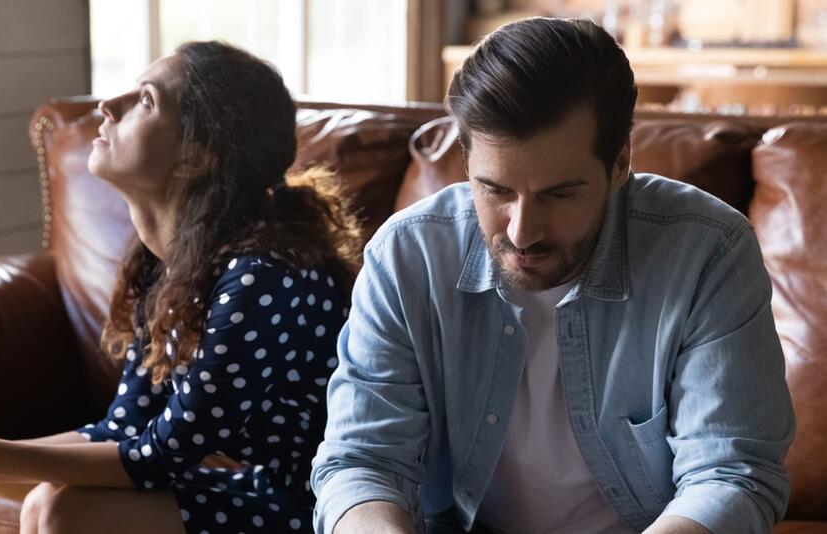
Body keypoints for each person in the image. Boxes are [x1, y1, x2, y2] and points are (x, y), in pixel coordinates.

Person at [311, 17, 794, 534]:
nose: (521, 233)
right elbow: (362, 462)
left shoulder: (707, 251)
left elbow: (730, 474)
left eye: (559, 194)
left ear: (619, 164)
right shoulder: (406, 255)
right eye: (495, 190)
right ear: (466, 160)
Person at [0, 40, 361, 534]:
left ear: (195, 157)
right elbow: (123, 429)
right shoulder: (171, 267)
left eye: (146, 100)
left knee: (65, 511)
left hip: (333, 510)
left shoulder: (261, 279)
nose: (107, 107)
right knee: (50, 503)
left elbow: (158, 457)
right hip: (270, 490)